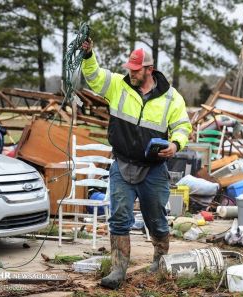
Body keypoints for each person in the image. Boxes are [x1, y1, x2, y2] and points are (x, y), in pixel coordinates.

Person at [81, 38, 192, 289]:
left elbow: (183, 126)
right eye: (129, 68)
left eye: (136, 69)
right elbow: (94, 76)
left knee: (156, 219)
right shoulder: (118, 86)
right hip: (122, 164)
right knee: (119, 217)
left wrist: (175, 144)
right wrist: (88, 55)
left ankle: (160, 259)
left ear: (149, 70)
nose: (130, 72)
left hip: (153, 169)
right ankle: (118, 269)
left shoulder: (171, 98)